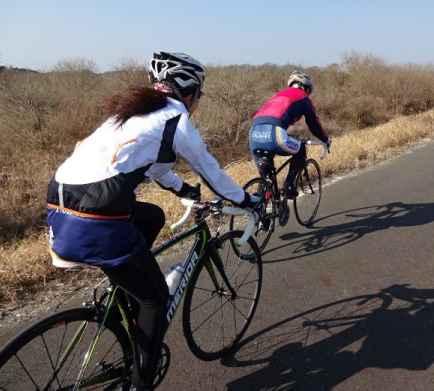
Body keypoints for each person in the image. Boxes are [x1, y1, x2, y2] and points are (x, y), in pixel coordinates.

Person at [45, 51, 259, 391]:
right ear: (189, 92)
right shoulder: (175, 117)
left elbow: (152, 166)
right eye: (200, 96)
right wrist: (248, 201)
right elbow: (212, 171)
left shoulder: (131, 114)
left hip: (59, 202)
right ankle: (140, 385)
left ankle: (127, 294)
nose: (198, 102)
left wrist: (184, 189)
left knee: (152, 216)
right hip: (96, 215)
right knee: (155, 298)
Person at [249, 70, 331, 198]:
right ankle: (289, 186)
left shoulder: (278, 95)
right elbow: (314, 124)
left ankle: (261, 211)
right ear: (306, 88)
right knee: (300, 149)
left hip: (254, 134)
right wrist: (325, 139)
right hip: (275, 134)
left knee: (266, 178)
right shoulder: (303, 98)